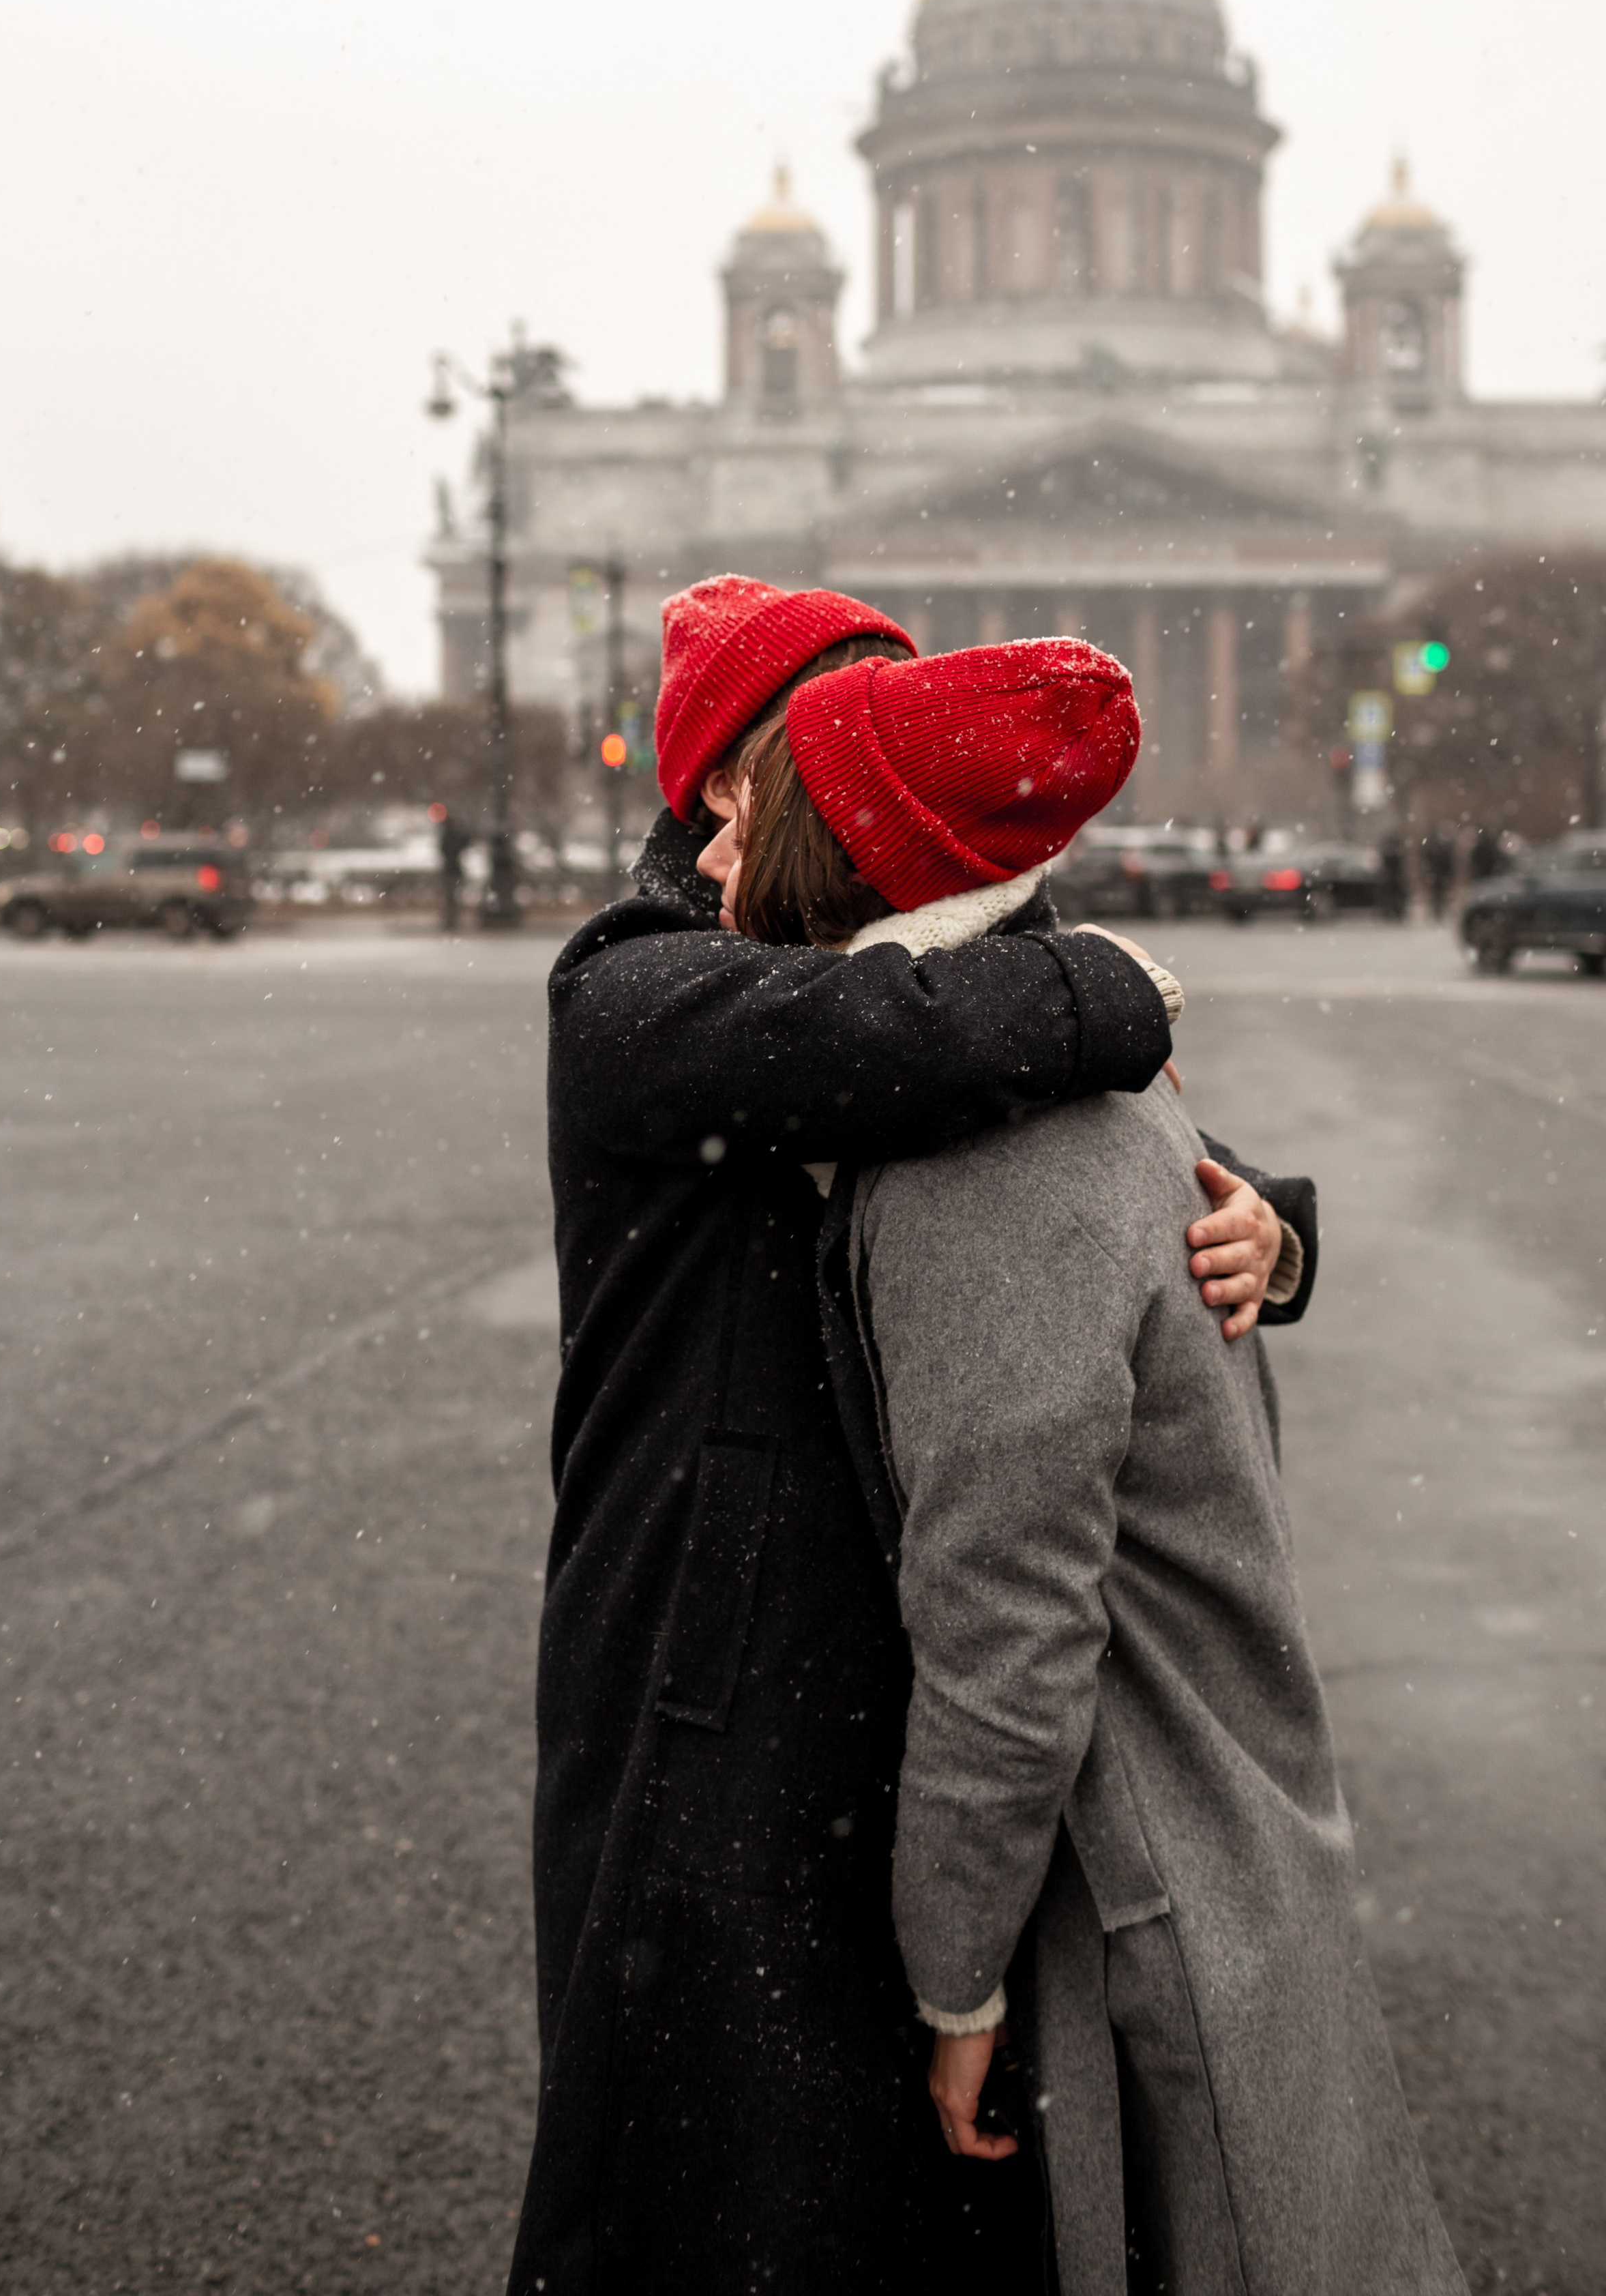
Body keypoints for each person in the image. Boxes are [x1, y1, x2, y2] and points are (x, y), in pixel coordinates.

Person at [509, 577, 1316, 2296]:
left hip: (895, 1636)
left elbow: (1127, 1177)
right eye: (832, 734)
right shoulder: (636, 986)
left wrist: (1274, 1223)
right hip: (700, 1654)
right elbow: (904, 1043)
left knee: (918, 2166)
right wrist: (1115, 983)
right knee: (712, 2164)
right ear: (729, 780)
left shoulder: (922, 972)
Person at [707, 637, 1463, 2293]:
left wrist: (952, 1975)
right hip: (1219, 1825)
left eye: (744, 813)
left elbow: (1011, 1628)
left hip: (1145, 1882)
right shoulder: (1091, 1088)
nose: (705, 859)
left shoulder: (988, 1169)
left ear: (835, 850)